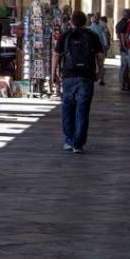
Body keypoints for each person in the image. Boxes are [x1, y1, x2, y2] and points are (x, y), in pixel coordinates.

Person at [52, 11, 106, 154]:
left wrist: (53, 74)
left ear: (71, 21)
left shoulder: (66, 35)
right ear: (85, 22)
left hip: (68, 75)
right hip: (86, 76)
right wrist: (100, 72)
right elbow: (100, 56)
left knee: (67, 108)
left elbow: (56, 55)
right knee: (83, 110)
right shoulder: (92, 35)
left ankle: (69, 140)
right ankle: (78, 144)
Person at [115, 9, 130, 91]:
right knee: (126, 66)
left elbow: (118, 35)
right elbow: (123, 35)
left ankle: (123, 83)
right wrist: (125, 46)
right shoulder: (126, 23)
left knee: (123, 66)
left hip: (122, 47)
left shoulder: (119, 23)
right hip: (126, 47)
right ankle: (124, 84)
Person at [88, 14, 110, 86]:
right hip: (98, 47)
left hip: (96, 47)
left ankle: (98, 78)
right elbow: (105, 36)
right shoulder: (99, 27)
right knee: (100, 63)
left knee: (97, 63)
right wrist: (106, 45)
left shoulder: (91, 28)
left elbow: (105, 36)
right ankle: (99, 78)